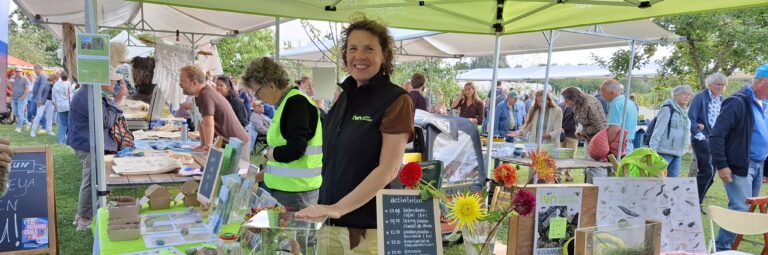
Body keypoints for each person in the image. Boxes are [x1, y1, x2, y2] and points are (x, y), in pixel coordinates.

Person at [295, 16, 415, 254]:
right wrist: (329, 209)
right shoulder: (343, 97)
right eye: (353, 49)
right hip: (329, 222)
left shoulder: (397, 100)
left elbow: (388, 169)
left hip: (366, 231)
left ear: (385, 56)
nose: (360, 56)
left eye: (369, 49)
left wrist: (339, 208)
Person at [241, 57, 323, 211]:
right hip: (287, 191)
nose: (257, 99)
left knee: (292, 235)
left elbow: (294, 150)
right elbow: (282, 163)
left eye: (257, 93)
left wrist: (267, 154)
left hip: (296, 194)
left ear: (271, 85)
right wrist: (254, 177)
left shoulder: (296, 103)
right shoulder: (287, 103)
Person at [712, 64, 768, 251]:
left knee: (747, 210)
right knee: (740, 209)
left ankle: (729, 247)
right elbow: (717, 134)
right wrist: (721, 165)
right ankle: (721, 248)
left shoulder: (764, 104)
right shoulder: (738, 101)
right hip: (740, 165)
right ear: (761, 82)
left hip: (758, 165)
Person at [67, 69, 126, 231]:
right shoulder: (90, 94)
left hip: (85, 141)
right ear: (102, 80)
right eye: (113, 81)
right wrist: (118, 101)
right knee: (92, 179)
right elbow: (106, 120)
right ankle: (85, 219)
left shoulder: (89, 92)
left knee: (92, 177)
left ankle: (82, 215)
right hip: (87, 143)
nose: (115, 84)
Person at [178, 66, 251, 166]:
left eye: (182, 81)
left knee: (237, 178)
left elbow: (209, 124)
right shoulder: (201, 94)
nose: (180, 84)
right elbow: (202, 121)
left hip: (237, 145)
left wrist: (208, 146)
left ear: (194, 83)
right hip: (231, 143)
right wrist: (203, 144)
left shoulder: (206, 95)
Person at [688, 73, 727, 203]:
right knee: (707, 171)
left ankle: (698, 200)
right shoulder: (700, 97)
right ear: (710, 84)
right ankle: (694, 202)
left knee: (712, 174)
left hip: (716, 139)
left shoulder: (722, 99)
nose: (720, 87)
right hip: (701, 138)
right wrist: (699, 135)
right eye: (717, 84)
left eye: (722, 85)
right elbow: (691, 118)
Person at [649, 85, 692, 177]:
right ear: (675, 95)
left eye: (689, 95)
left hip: (678, 152)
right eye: (684, 94)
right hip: (664, 152)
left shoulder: (684, 112)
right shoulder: (667, 109)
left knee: (673, 182)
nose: (687, 96)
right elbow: (658, 130)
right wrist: (652, 151)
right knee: (658, 180)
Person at [600, 79, 638, 155]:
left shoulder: (616, 104)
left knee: (615, 167)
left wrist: (606, 145)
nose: (602, 95)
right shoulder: (631, 103)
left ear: (612, 92)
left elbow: (614, 128)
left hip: (619, 145)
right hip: (629, 144)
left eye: (603, 92)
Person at [30, 72, 56, 137]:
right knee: (39, 115)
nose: (57, 81)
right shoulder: (46, 83)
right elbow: (40, 91)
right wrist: (38, 100)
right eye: (56, 79)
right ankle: (33, 131)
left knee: (49, 117)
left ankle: (49, 130)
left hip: (51, 102)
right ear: (53, 79)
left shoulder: (56, 85)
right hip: (43, 101)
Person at [51, 71, 74, 144]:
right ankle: (70, 139)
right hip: (69, 105)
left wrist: (56, 104)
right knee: (70, 123)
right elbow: (71, 95)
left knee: (63, 124)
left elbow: (53, 97)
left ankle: (60, 140)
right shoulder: (68, 84)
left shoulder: (56, 85)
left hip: (60, 106)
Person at [10, 67, 30, 133]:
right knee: (15, 113)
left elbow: (28, 89)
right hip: (14, 98)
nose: (18, 72)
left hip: (22, 99)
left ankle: (19, 128)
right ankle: (27, 122)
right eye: (17, 71)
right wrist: (9, 81)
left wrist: (23, 97)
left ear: (22, 72)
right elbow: (8, 85)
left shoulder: (25, 79)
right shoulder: (13, 78)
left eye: (20, 71)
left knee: (20, 113)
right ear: (15, 72)